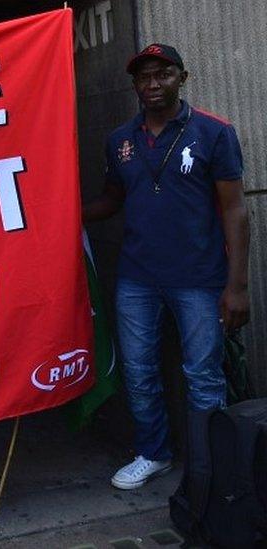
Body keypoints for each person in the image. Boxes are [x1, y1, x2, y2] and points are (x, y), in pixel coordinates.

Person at [82, 44, 249, 490]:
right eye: (144, 77)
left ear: (183, 77)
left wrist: (238, 286)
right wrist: (63, 215)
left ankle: (210, 465)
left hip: (199, 278)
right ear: (135, 85)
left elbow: (235, 210)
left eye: (163, 74)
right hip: (137, 278)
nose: (153, 84)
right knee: (138, 371)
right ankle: (154, 453)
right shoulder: (119, 138)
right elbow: (112, 200)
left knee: (203, 375)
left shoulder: (214, 132)